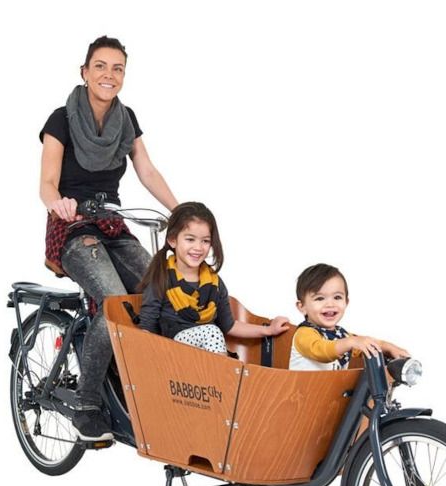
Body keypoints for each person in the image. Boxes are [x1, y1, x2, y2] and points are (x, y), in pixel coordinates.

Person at [39, 36, 178, 441]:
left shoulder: (125, 119)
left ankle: (138, 386)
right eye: (100, 66)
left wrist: (181, 211)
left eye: (117, 68)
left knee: (161, 292)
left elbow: (147, 170)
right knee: (114, 303)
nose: (108, 75)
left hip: (113, 225)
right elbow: (47, 182)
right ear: (84, 72)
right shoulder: (61, 120)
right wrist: (58, 203)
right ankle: (86, 404)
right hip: (72, 227)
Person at [138, 202, 289, 352]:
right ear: (173, 240)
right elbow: (147, 327)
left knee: (212, 332)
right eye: (190, 239)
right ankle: (221, 368)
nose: (198, 248)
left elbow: (229, 326)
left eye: (205, 241)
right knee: (211, 331)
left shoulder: (214, 283)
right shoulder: (161, 278)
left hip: (206, 355)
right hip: (172, 351)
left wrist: (268, 330)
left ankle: (220, 366)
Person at [289, 263, 409, 370]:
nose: (330, 304)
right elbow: (322, 351)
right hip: (301, 388)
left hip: (330, 388)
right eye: (319, 298)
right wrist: (351, 342)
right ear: (302, 307)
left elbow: (364, 343)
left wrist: (389, 347)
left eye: (337, 297)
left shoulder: (341, 335)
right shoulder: (304, 334)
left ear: (346, 302)